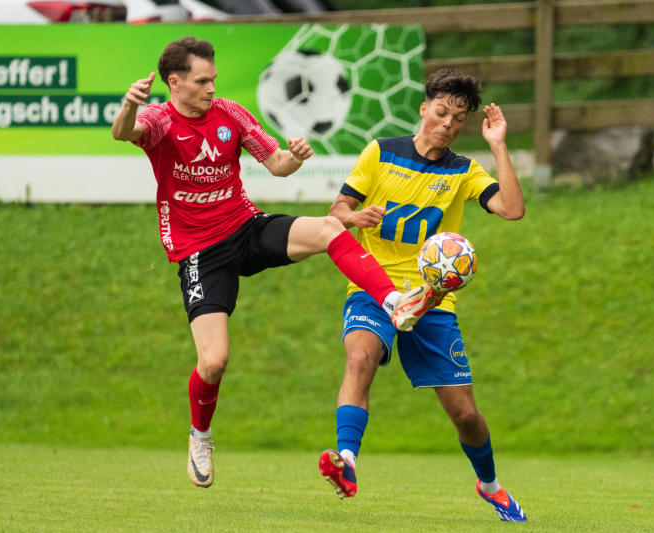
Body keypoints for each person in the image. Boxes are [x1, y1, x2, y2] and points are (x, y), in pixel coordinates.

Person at [111, 36, 440, 489]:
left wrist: (296, 157)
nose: (211, 88)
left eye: (213, 79)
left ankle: (394, 302)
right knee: (214, 362)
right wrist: (129, 105)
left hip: (245, 226)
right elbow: (123, 132)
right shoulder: (159, 120)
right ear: (175, 82)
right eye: (202, 81)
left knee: (331, 229)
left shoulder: (230, 113)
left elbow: (277, 165)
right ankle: (200, 436)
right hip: (200, 252)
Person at [318, 69, 527, 522]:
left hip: (432, 301)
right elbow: (338, 209)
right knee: (360, 358)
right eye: (441, 112)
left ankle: (490, 486)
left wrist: (498, 145)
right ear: (423, 108)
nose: (448, 124)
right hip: (374, 288)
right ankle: (347, 461)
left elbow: (512, 209)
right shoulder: (381, 152)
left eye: (458, 118)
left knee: (465, 415)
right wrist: (354, 218)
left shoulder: (463, 171)